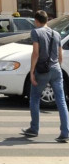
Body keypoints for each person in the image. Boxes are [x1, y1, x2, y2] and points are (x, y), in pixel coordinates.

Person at [21, 10, 69, 142]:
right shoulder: (57, 34)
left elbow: (35, 53)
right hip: (56, 69)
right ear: (47, 20)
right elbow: (60, 55)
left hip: (42, 70)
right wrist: (56, 67)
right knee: (61, 100)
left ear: (36, 21)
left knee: (35, 97)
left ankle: (34, 129)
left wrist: (31, 72)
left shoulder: (36, 32)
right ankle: (65, 132)